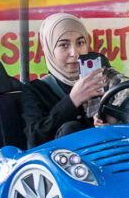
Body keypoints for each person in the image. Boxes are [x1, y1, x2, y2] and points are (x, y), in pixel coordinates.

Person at [18, 12, 111, 148]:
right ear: (50, 50)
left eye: (80, 43)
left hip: (108, 160)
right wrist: (72, 101)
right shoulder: (35, 91)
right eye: (64, 45)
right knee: (70, 129)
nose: (75, 53)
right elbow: (35, 138)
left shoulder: (102, 79)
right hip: (63, 166)